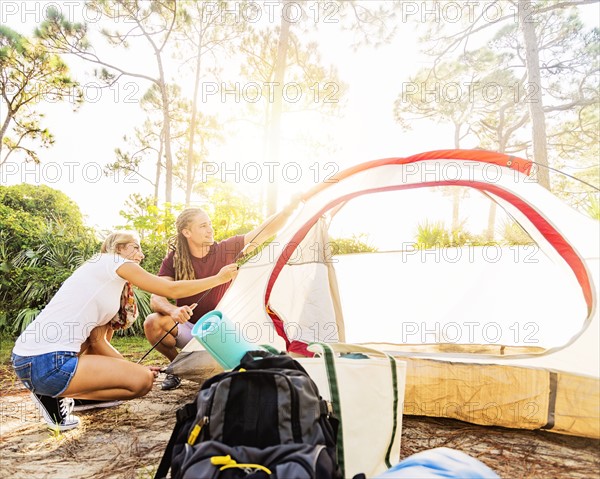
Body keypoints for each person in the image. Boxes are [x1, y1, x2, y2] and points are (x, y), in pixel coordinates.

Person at [11, 231, 238, 431]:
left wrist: (130, 368)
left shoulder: (100, 275)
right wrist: (219, 279)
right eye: (135, 248)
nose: (141, 255)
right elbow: (169, 288)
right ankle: (53, 394)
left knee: (135, 379)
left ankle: (64, 394)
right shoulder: (112, 263)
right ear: (119, 249)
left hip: (29, 359)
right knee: (141, 383)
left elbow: (97, 341)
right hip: (48, 363)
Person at [144, 198, 301, 390]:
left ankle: (221, 368)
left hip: (222, 330)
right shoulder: (174, 259)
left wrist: (288, 209)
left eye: (209, 224)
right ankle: (178, 368)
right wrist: (173, 310)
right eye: (203, 226)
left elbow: (263, 232)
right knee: (153, 322)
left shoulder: (226, 249)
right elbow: (156, 297)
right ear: (187, 232)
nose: (210, 229)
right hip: (190, 329)